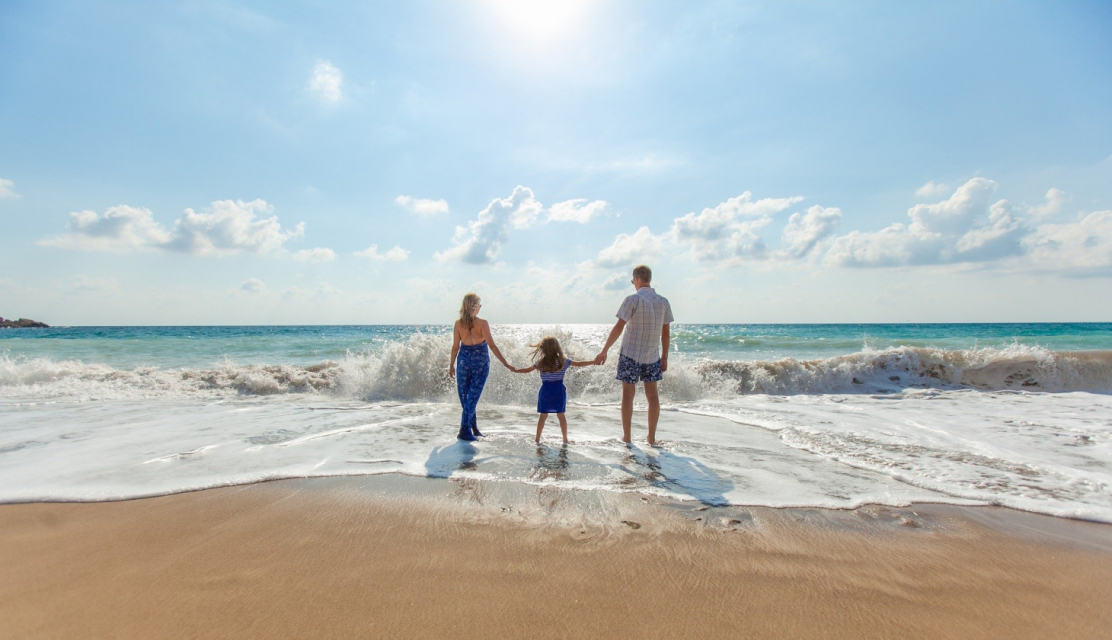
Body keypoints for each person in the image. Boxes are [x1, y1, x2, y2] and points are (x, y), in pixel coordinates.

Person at [594, 264, 673, 445]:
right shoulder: (663, 302)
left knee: (628, 395)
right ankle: (651, 438)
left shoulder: (632, 300)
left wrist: (604, 350)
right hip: (652, 356)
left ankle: (627, 437)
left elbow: (619, 327)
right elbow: (666, 334)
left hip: (630, 354)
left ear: (637, 279)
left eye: (633, 281)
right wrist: (665, 357)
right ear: (649, 279)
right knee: (652, 396)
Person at [449, 293, 513, 441]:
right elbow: (491, 345)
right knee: (471, 398)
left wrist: (451, 365)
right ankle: (464, 431)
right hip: (480, 363)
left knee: (468, 398)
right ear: (476, 307)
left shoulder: (458, 324)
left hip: (464, 361)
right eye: (479, 305)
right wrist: (505, 363)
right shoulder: (482, 323)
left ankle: (473, 428)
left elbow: (455, 347)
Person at [512, 336, 596, 444]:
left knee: (543, 416)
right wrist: (593, 361)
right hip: (558, 391)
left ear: (543, 349)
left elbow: (528, 370)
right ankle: (565, 439)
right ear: (557, 348)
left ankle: (537, 439)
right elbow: (579, 364)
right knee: (561, 415)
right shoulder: (563, 361)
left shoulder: (540, 362)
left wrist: (515, 370)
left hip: (545, 391)